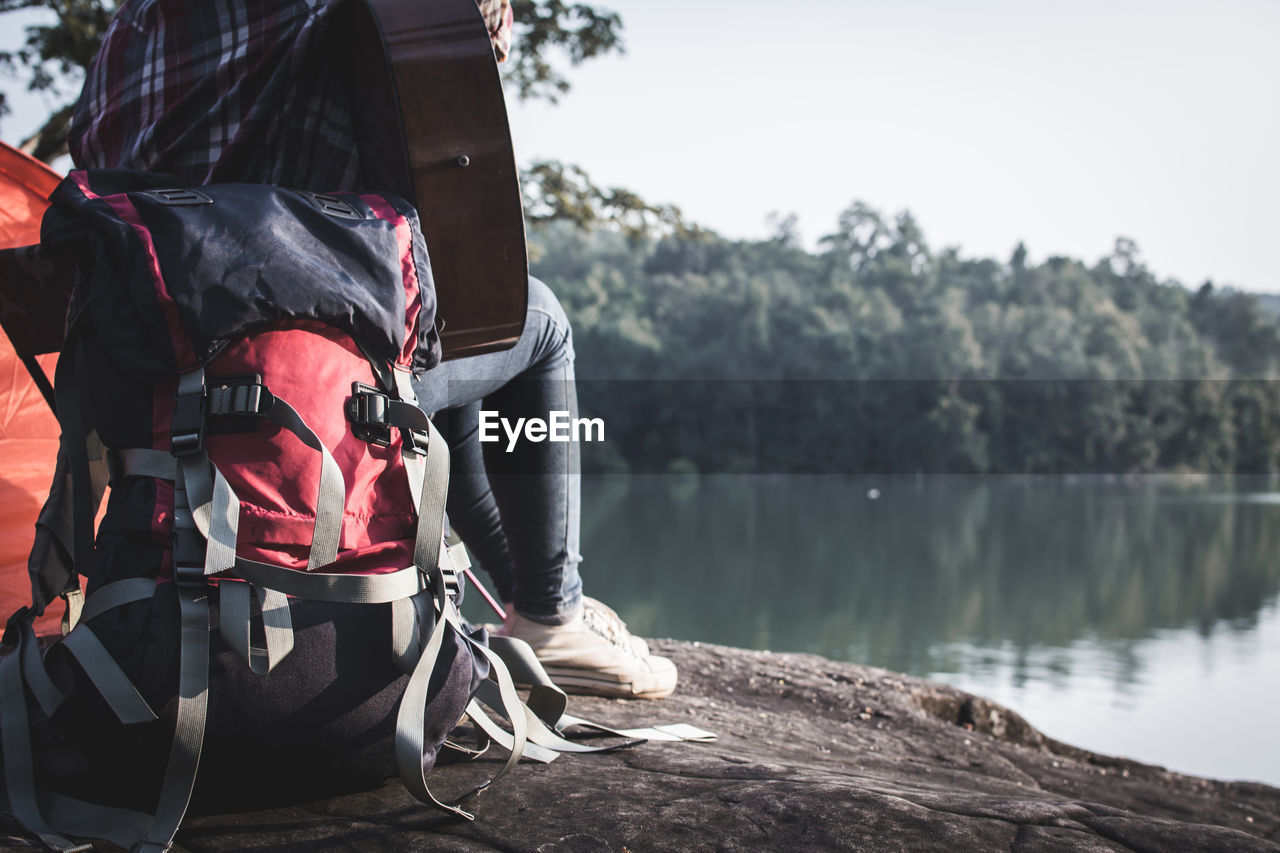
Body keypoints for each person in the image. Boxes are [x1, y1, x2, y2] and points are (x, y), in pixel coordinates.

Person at [66, 0, 676, 699]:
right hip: (303, 379)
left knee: (449, 339)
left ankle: (533, 607)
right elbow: (466, 19)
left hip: (156, 390)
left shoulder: (126, 32)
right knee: (536, 320)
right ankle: (549, 612)